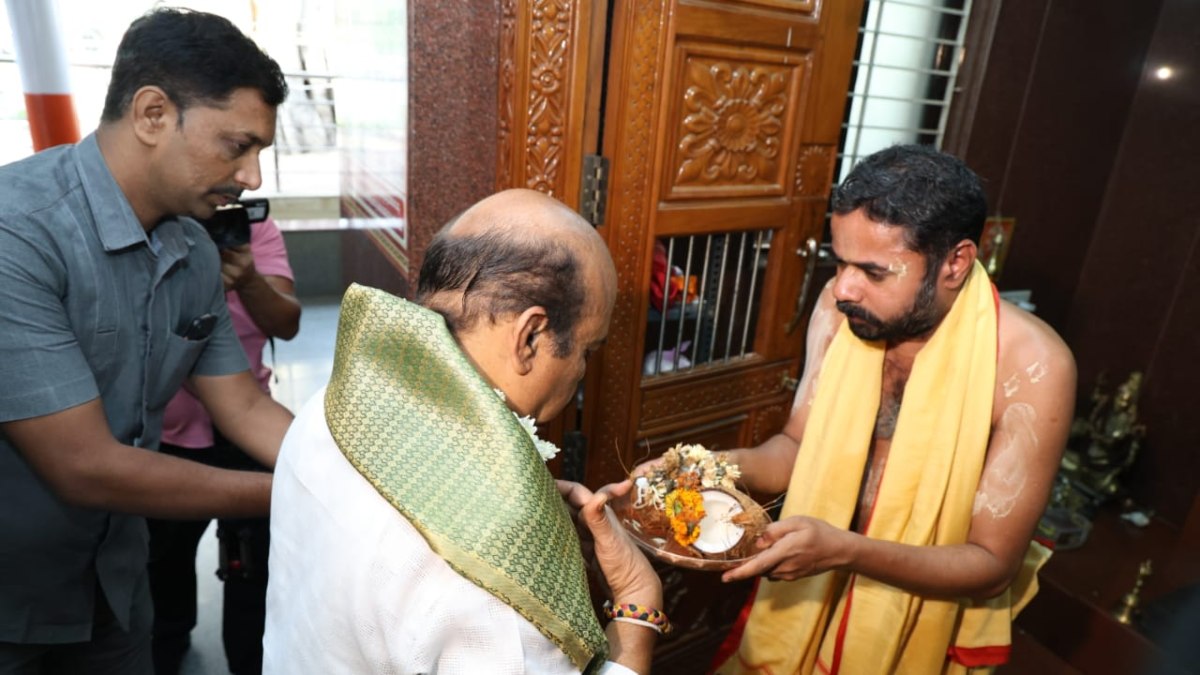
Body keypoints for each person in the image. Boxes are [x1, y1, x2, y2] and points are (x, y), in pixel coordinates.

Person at [0, 9, 295, 674]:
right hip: (13, 597)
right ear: (153, 114)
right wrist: (305, 491)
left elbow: (245, 407)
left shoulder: (194, 250)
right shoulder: (17, 232)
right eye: (237, 145)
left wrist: (359, 469)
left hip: (117, 590)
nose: (252, 178)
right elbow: (84, 465)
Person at [708, 145, 1076, 674]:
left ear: (955, 263)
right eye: (840, 261)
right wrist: (705, 467)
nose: (843, 287)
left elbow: (992, 565)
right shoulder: (840, 309)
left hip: (919, 625)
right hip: (810, 592)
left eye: (873, 272)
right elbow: (794, 448)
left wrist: (846, 551)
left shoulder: (1031, 364)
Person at [263, 189, 663, 674]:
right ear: (530, 337)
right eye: (588, 351)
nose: (582, 371)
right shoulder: (494, 571)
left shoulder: (332, 405)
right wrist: (638, 605)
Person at [148, 216, 301, 675]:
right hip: (168, 437)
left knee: (254, 567)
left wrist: (249, 279)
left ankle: (249, 660)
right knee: (163, 561)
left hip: (252, 434)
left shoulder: (254, 231)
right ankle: (168, 642)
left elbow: (285, 324)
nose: (248, 182)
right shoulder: (149, 234)